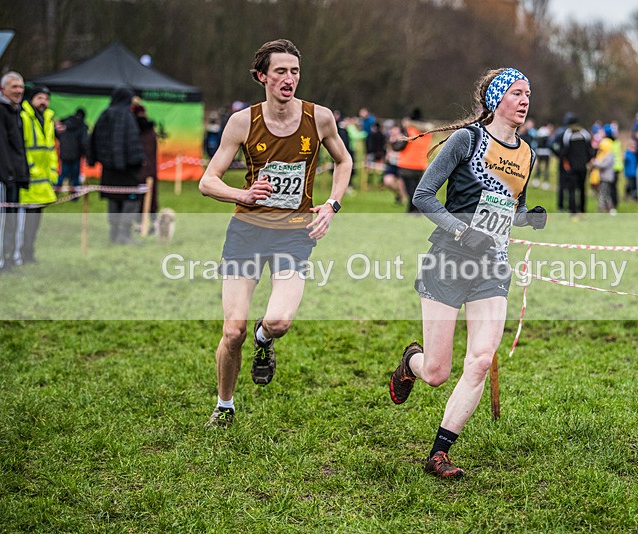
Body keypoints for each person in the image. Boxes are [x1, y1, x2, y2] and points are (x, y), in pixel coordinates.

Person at [388, 67, 547, 478]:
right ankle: (412, 362)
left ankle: (439, 452)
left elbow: (510, 210)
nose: (525, 100)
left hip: (492, 266)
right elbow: (424, 196)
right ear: (496, 100)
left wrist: (529, 218)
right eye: (516, 92)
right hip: (448, 259)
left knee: (478, 361)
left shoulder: (527, 154)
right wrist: (462, 230)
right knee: (438, 372)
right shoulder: (467, 141)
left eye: (528, 93)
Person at [198, 38, 352, 428]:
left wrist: (332, 205)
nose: (289, 78)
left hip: (294, 234)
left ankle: (264, 341)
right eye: (280, 71)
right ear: (261, 76)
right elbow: (207, 181)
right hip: (247, 231)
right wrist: (243, 193)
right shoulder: (241, 122)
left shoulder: (319, 117)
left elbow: (344, 160)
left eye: (295, 71)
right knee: (232, 332)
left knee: (279, 321)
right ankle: (225, 405)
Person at [88, 86, 144, 244]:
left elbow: (93, 139)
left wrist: (94, 160)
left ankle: (114, 234)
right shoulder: (127, 115)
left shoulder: (105, 114)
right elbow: (133, 143)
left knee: (113, 199)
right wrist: (138, 162)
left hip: (109, 169)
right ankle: (125, 235)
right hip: (128, 170)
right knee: (130, 200)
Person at [18, 84, 58, 264]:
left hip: (43, 181)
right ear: (32, 99)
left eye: (46, 98)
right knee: (21, 223)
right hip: (26, 180)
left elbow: (50, 149)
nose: (44, 102)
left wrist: (53, 172)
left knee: (34, 223)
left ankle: (29, 252)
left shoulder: (48, 119)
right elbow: (22, 147)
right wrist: (30, 168)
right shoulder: (24, 117)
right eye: (40, 97)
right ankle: (20, 254)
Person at [0, 72, 29, 272]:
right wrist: (6, 175)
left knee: (13, 220)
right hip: (3, 177)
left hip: (14, 176)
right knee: (3, 221)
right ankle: (0, 260)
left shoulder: (15, 111)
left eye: (21, 86)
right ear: (3, 89)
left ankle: (9, 257)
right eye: (14, 87)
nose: (18, 91)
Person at [554, 112, 592, 218]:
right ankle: (582, 210)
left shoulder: (567, 134)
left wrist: (565, 163)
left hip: (571, 168)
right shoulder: (585, 133)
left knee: (572, 190)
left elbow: (564, 152)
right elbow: (590, 150)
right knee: (582, 189)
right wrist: (587, 161)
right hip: (583, 167)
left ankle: (573, 211)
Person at [398, 108, 432, 213]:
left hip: (407, 164)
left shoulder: (409, 130)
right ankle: (411, 210)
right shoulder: (428, 132)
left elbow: (399, 146)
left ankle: (415, 210)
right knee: (416, 189)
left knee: (410, 190)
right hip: (421, 164)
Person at [132, 102, 159, 223]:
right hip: (150, 168)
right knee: (151, 199)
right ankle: (152, 224)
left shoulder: (132, 128)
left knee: (137, 198)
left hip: (136, 169)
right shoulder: (150, 130)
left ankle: (139, 224)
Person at [56, 108, 88, 194]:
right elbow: (84, 141)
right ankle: (74, 195)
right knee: (75, 177)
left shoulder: (65, 123)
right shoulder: (82, 126)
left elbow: (57, 134)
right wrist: (85, 153)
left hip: (64, 153)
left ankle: (56, 191)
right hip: (76, 155)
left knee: (62, 174)